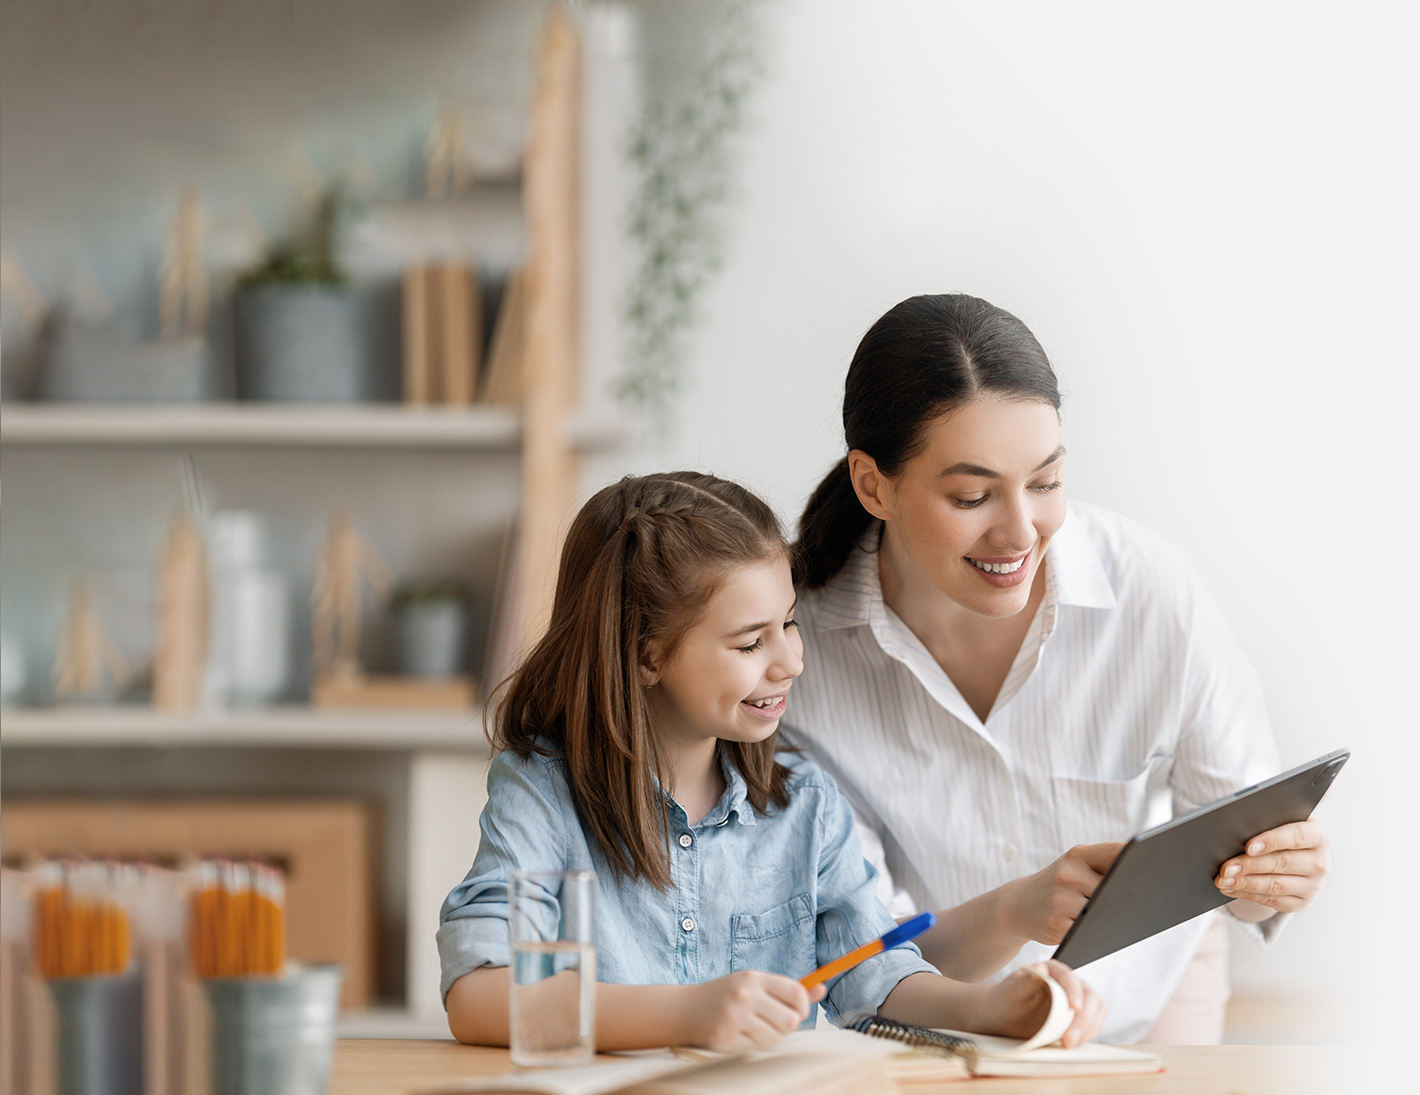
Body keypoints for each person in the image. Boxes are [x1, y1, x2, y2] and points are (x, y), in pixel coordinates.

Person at [785, 295, 1332, 1044]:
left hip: (1146, 999)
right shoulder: (795, 652)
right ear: (873, 485)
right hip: (932, 1021)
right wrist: (1013, 911)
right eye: (972, 495)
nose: (1019, 530)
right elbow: (865, 952)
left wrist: (1275, 881)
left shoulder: (1149, 592)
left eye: (1045, 482)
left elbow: (1245, 867)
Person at [438, 471, 1107, 1052]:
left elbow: (873, 978)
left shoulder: (806, 804)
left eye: (787, 623)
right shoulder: (543, 793)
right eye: (750, 642)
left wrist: (994, 1008)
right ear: (647, 655)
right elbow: (478, 995)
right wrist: (685, 1014)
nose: (791, 661)